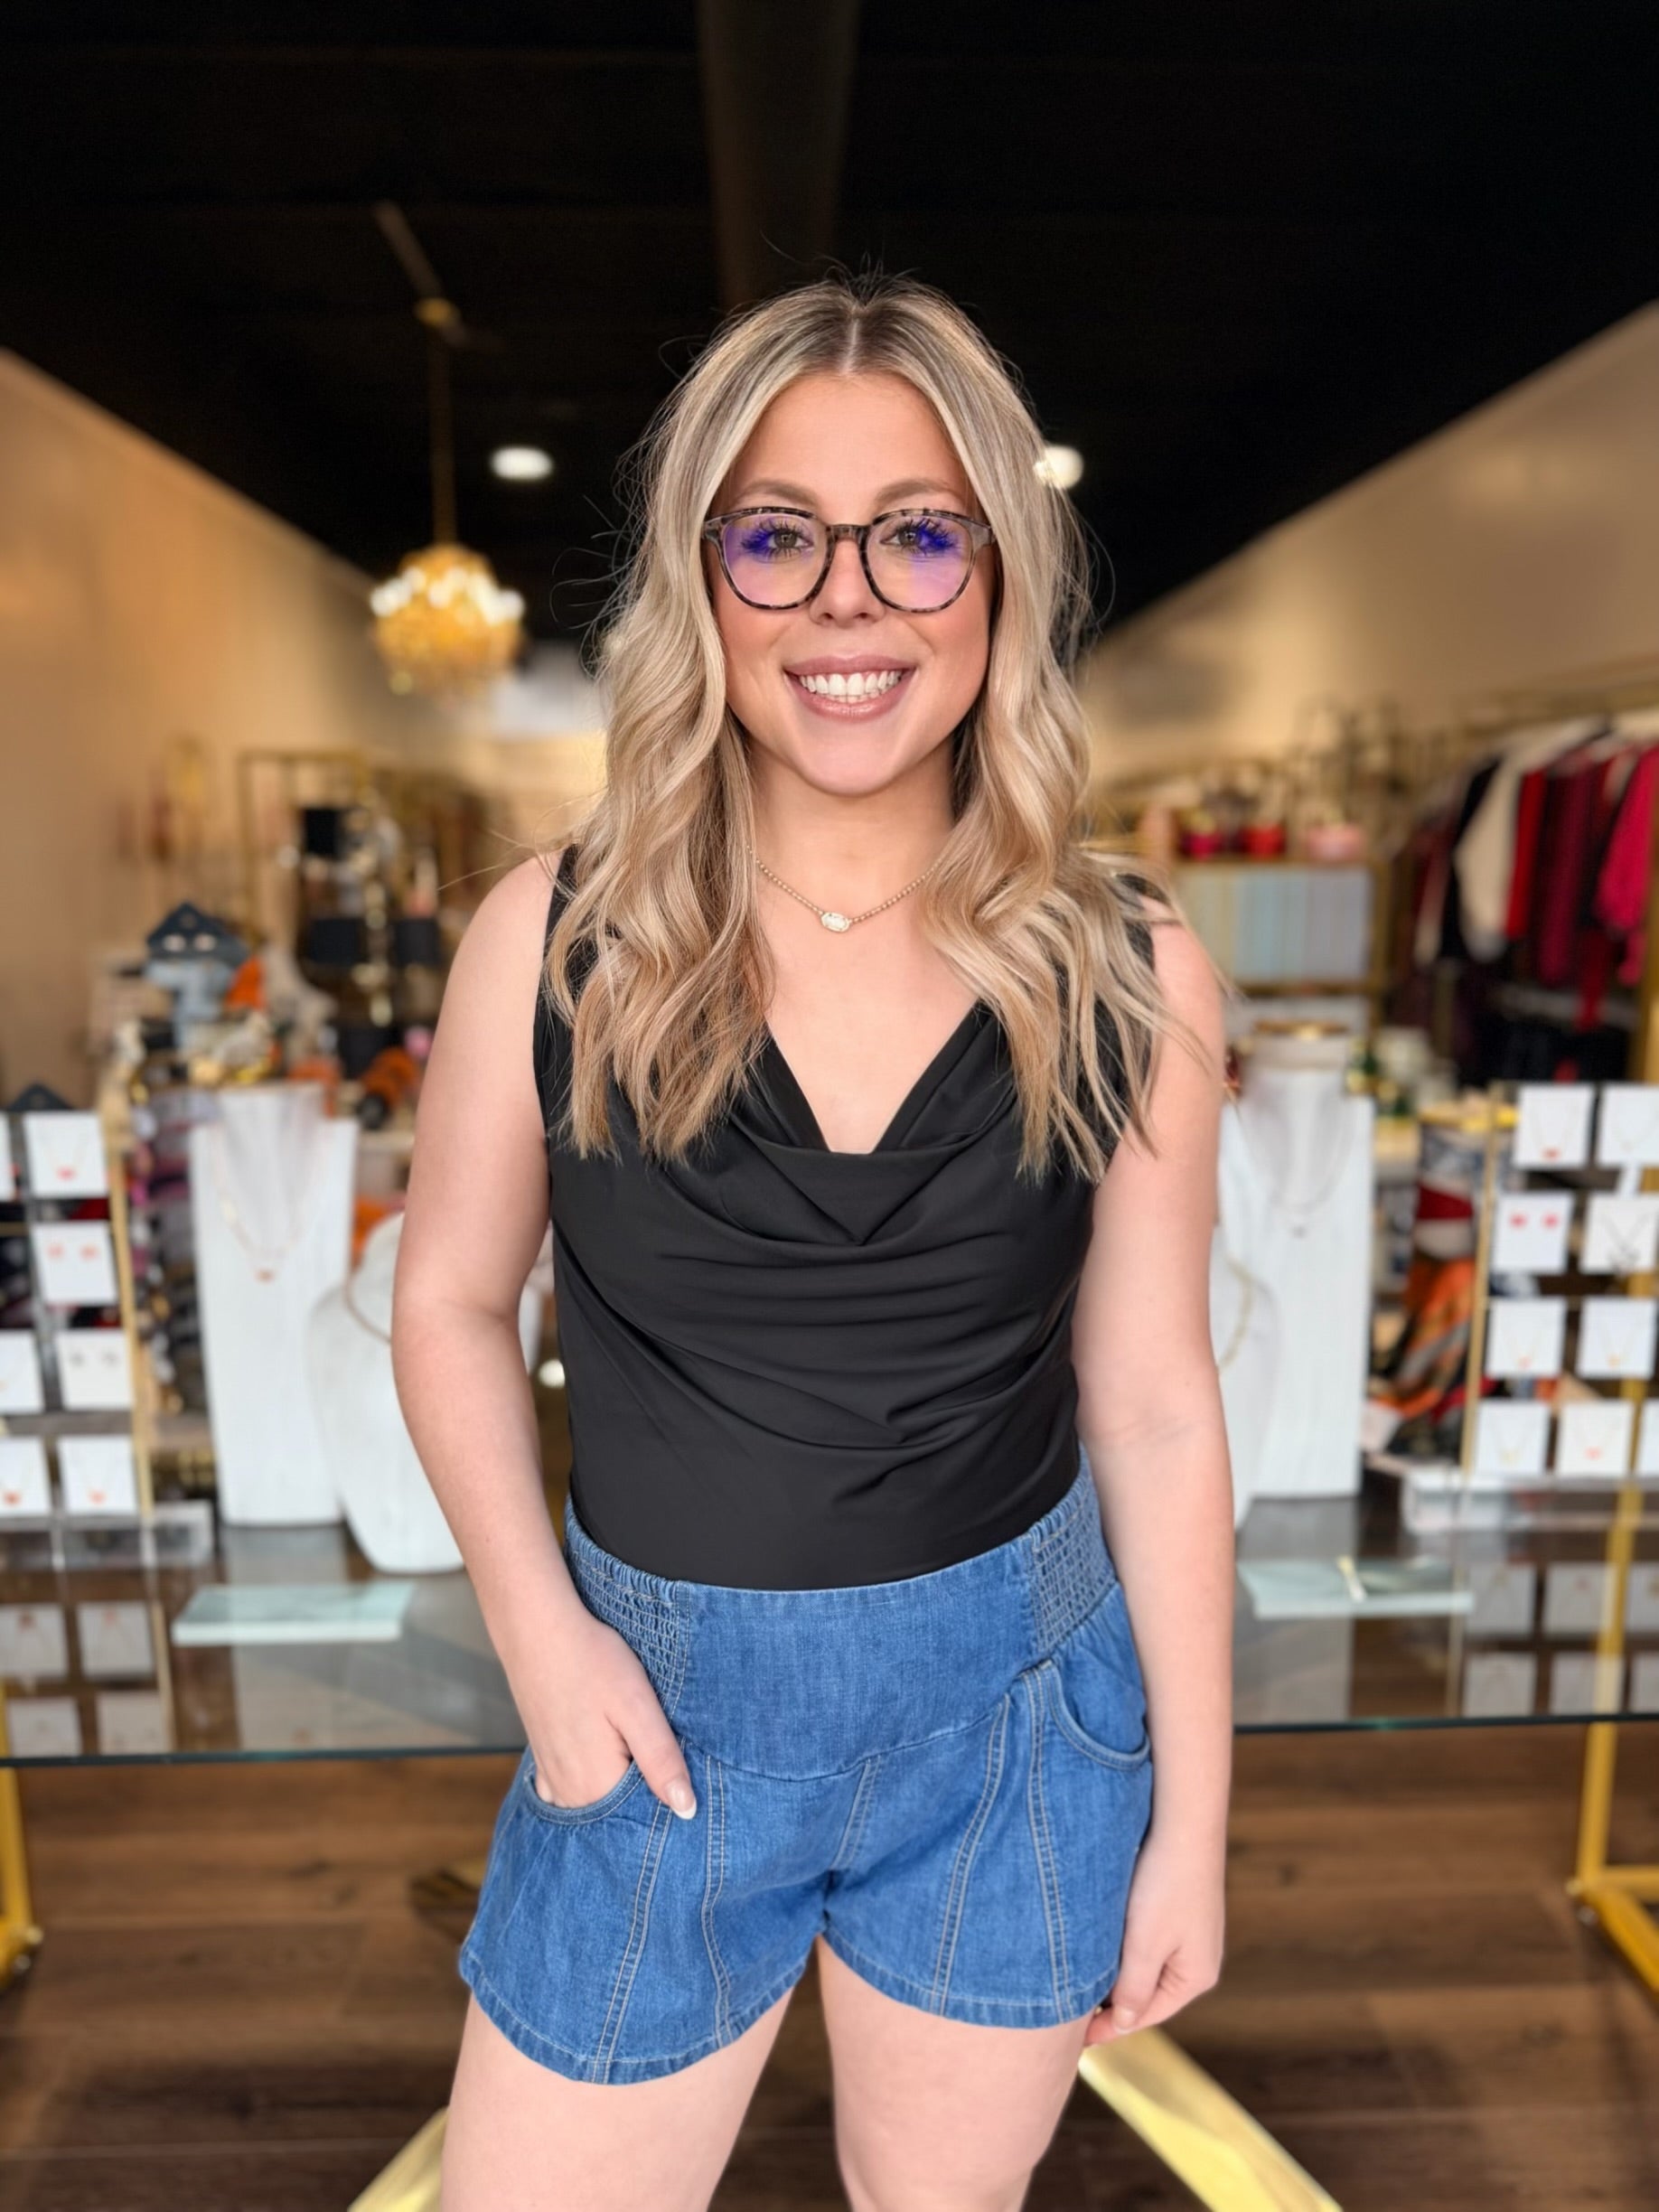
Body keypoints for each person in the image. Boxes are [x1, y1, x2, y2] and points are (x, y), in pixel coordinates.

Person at [392, 270, 1233, 2212]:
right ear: (704, 581)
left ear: (999, 580)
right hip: (650, 1720)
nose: (849, 603)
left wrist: (1192, 1817)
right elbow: (444, 1303)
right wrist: (543, 1644)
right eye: (779, 539)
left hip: (1018, 1725)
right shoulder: (553, 933)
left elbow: (1159, 1406)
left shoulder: (1130, 965)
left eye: (919, 536)